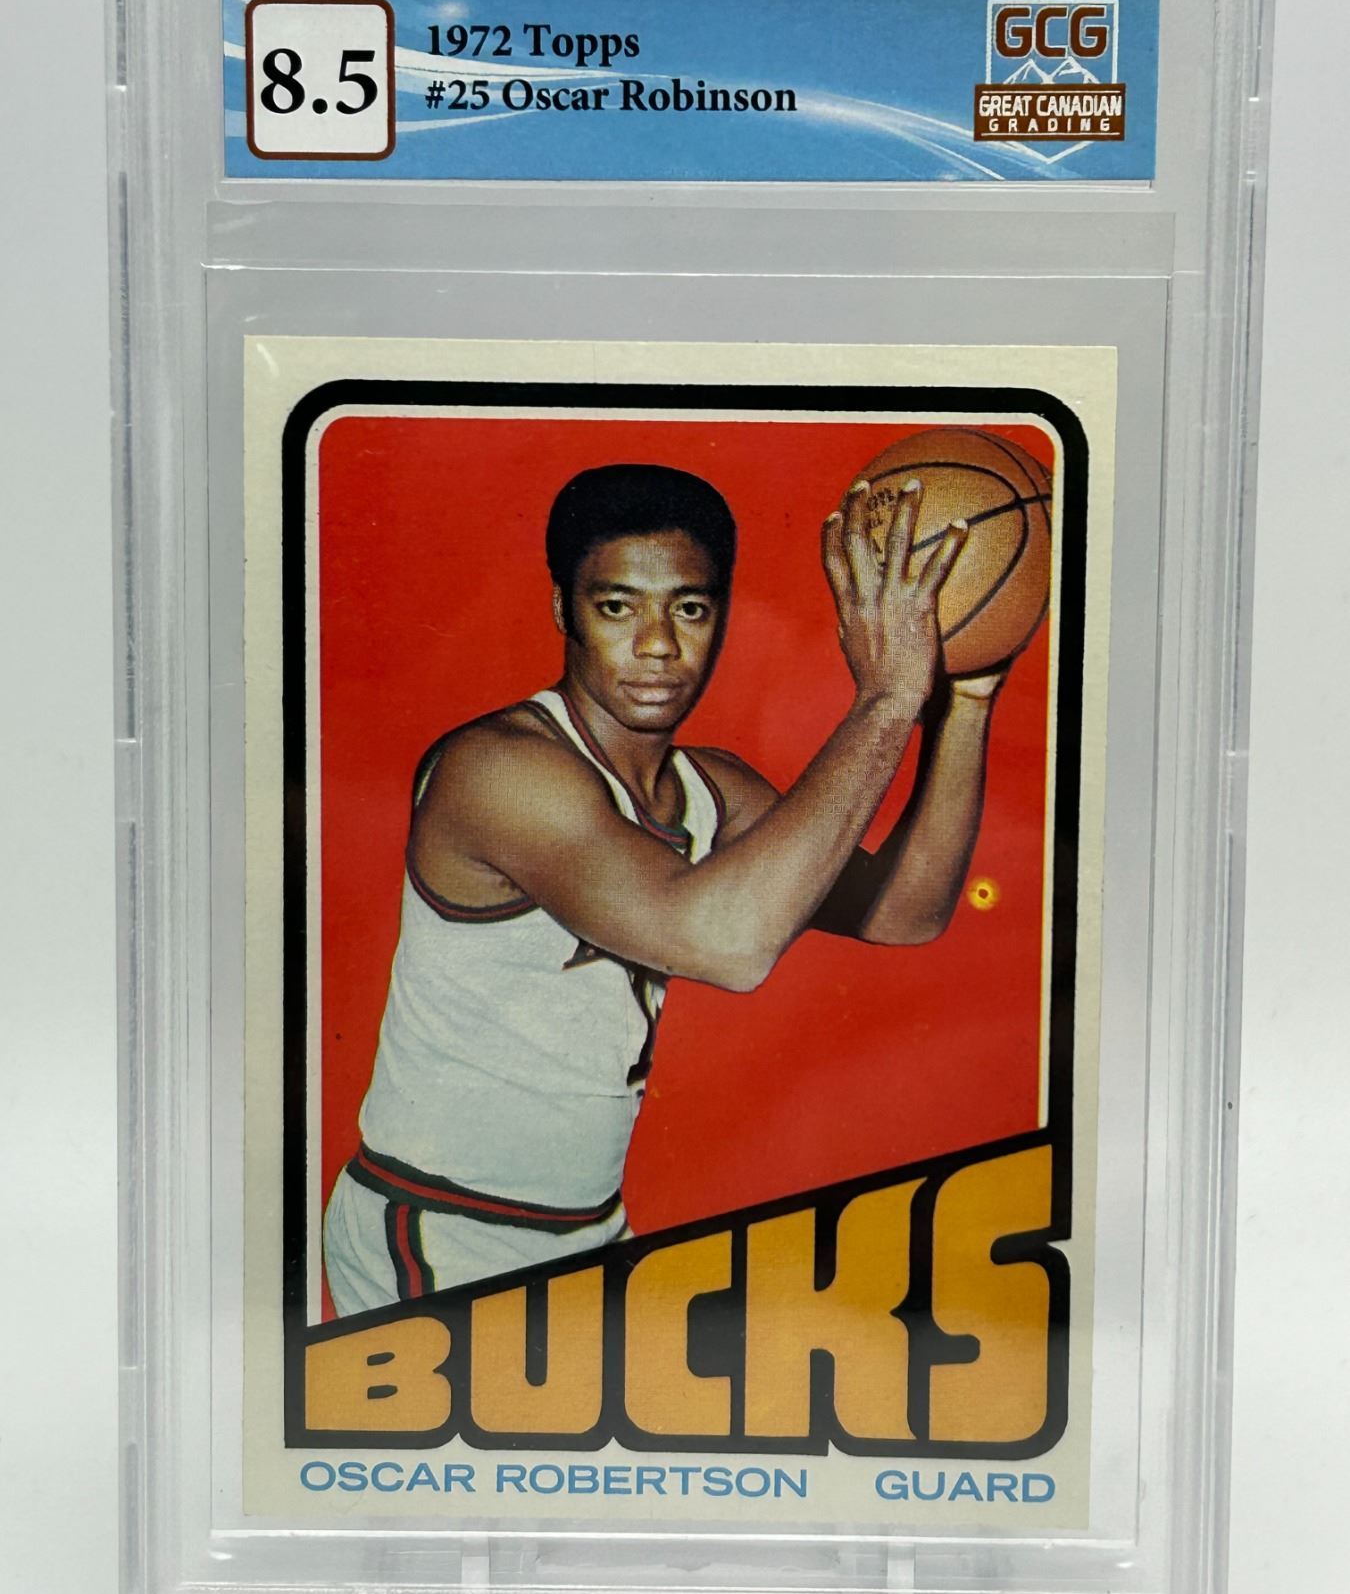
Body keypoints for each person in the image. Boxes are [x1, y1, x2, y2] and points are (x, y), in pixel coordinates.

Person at [323, 462, 1011, 1316]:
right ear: (563, 611)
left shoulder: (708, 788)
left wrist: (966, 698)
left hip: (588, 1230)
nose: (657, 644)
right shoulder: (499, 770)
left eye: (690, 609)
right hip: (441, 1230)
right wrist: (886, 700)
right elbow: (725, 945)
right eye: (618, 607)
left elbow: (905, 911)